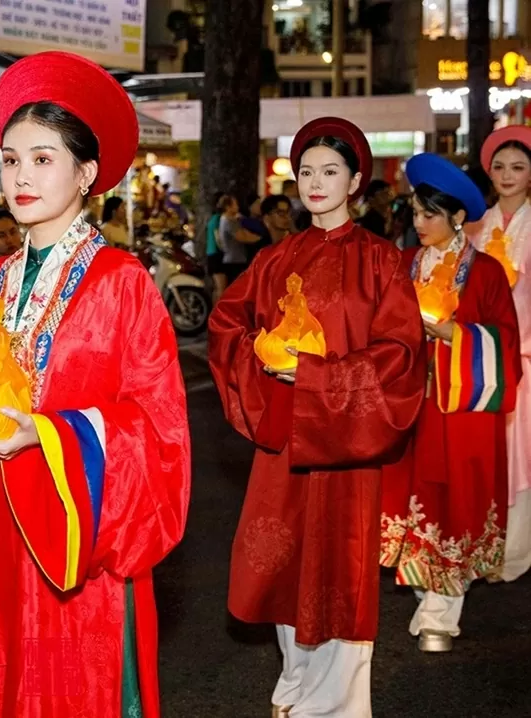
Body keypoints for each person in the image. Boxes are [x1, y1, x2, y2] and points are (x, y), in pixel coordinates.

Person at [0, 51, 191, 717]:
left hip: (74, 536)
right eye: (10, 157)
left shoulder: (122, 284)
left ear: (87, 174)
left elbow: (157, 425)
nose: (20, 175)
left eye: (43, 158)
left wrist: (47, 435)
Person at [208, 117, 427, 717]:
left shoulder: (382, 261)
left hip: (346, 440)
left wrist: (316, 376)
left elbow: (403, 352)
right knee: (281, 565)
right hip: (284, 438)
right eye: (306, 171)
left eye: (330, 171)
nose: (316, 182)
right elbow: (228, 323)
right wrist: (261, 356)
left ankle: (335, 707)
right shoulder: (277, 258)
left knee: (338, 571)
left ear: (356, 180)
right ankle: (294, 687)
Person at [379, 153, 520, 654]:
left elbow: (505, 342)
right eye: (415, 213)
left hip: (463, 409)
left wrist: (454, 335)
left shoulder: (485, 274)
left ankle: (443, 606)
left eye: (429, 214)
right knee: (414, 496)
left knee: (458, 497)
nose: (418, 224)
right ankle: (426, 586)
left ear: (458, 217)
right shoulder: (403, 263)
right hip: (414, 402)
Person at [474, 126, 531, 582]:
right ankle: (492, 547)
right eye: (499, 167)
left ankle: (516, 551)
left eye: (518, 167)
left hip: (529, 354)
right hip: (485, 356)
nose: (507, 175)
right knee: (496, 454)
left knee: (524, 455)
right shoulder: (475, 227)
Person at [219, 195, 259, 283]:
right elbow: (243, 237)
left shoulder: (226, 219)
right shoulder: (229, 221)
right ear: (227, 207)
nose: (238, 207)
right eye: (235, 204)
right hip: (235, 261)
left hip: (233, 259)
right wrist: (261, 238)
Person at [206, 192, 229, 302]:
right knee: (221, 288)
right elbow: (218, 238)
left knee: (217, 288)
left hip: (211, 254)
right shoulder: (219, 219)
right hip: (217, 255)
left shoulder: (212, 218)